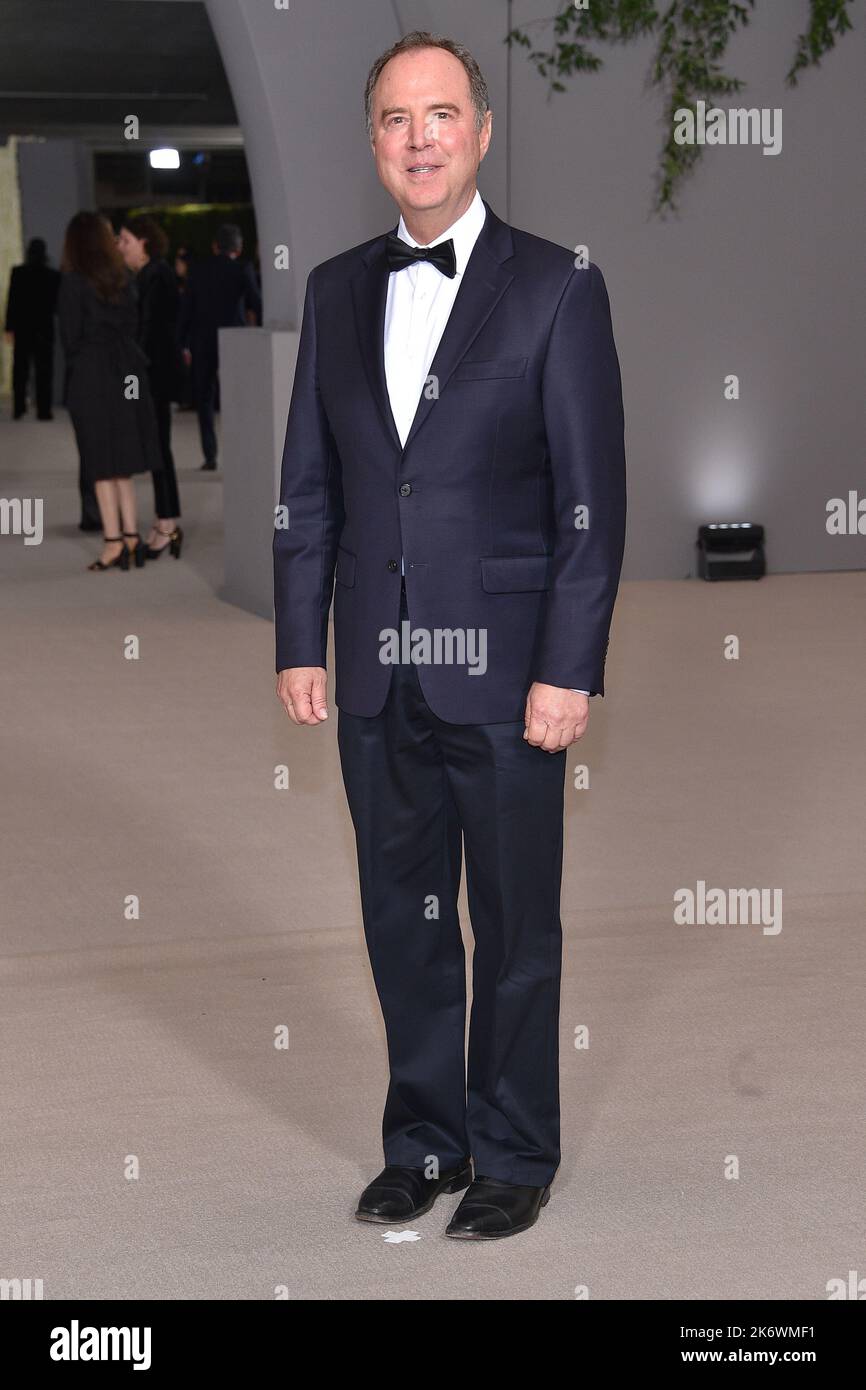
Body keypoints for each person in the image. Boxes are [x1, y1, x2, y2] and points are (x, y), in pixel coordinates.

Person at [273, 32, 626, 1240]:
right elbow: (309, 485)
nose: (417, 138)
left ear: (479, 129)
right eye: (392, 118)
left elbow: (592, 499)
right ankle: (423, 1139)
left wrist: (566, 669)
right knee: (401, 918)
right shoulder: (330, 291)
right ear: (371, 142)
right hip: (374, 667)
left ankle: (514, 1153)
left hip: (507, 672)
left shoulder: (557, 286)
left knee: (516, 922)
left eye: (439, 115)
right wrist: (300, 639)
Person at [58, 212, 163, 571]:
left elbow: (69, 338)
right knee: (123, 460)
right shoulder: (123, 278)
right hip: (127, 371)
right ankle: (132, 538)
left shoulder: (72, 283)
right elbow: (134, 325)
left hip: (90, 374)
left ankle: (113, 543)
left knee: (100, 463)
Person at [117, 216, 184, 560]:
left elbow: (150, 330)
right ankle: (166, 520)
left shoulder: (156, 275)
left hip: (153, 375)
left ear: (144, 241)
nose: (119, 246)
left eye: (125, 240)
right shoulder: (150, 274)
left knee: (159, 450)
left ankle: (167, 523)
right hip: (152, 374)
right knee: (159, 449)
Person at [177, 223, 261, 470]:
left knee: (204, 399)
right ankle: (240, 453)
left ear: (215, 246)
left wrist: (182, 343)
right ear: (239, 246)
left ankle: (210, 455)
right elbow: (257, 303)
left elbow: (186, 310)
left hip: (202, 341)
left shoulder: (197, 270)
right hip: (235, 341)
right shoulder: (242, 269)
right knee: (237, 399)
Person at [4, 237, 61, 420]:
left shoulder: (18, 273)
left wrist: (9, 327)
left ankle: (19, 408)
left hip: (23, 328)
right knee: (44, 371)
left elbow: (12, 302)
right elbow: (56, 305)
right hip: (44, 328)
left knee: (20, 370)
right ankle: (44, 411)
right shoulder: (53, 275)